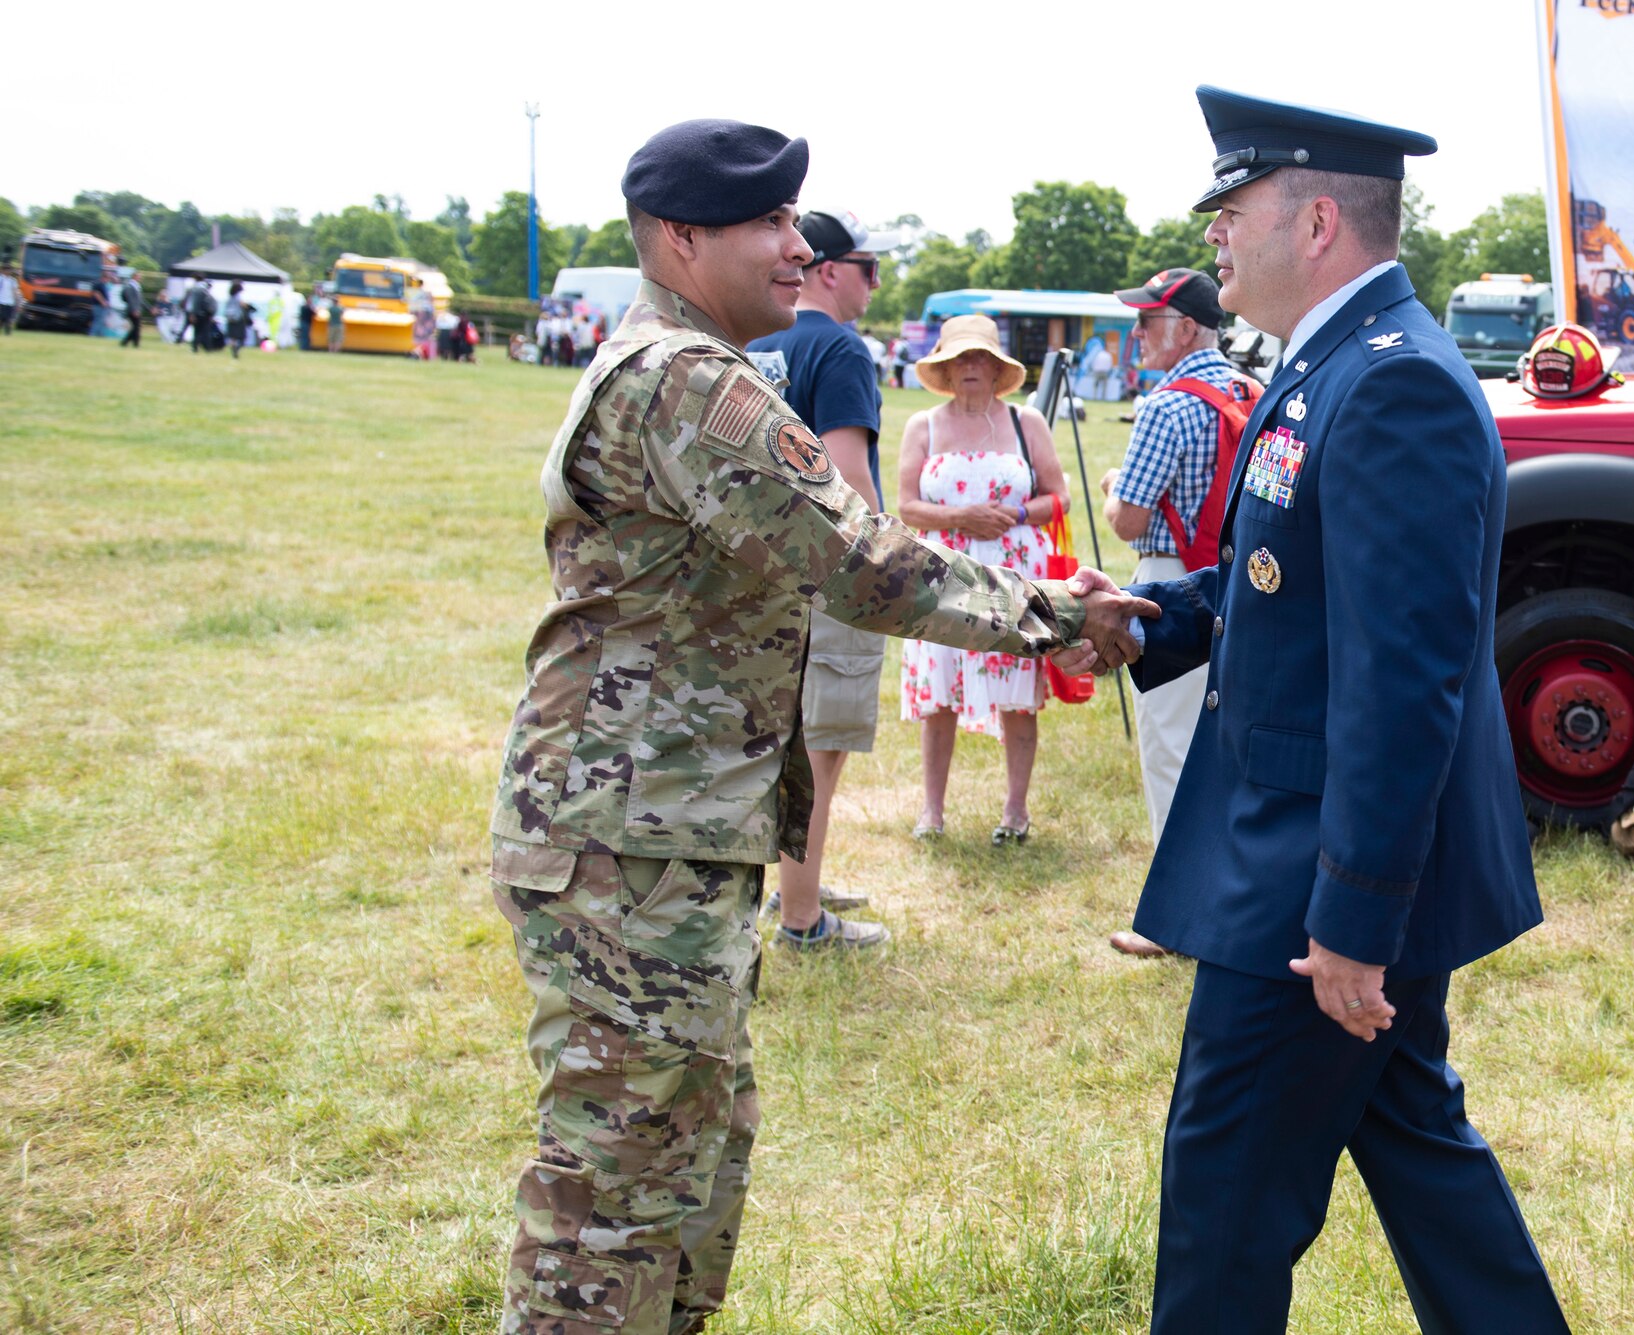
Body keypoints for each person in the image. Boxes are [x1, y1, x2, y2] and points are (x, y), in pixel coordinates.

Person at [486, 116, 1152, 1335]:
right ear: (683, 239)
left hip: (665, 830)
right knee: (617, 1197)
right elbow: (861, 563)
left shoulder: (683, 363)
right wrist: (1053, 612)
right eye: (769, 223)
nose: (799, 249)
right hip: (628, 840)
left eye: (797, 221)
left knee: (689, 1152)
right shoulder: (688, 382)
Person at [1119, 86, 1569, 1332]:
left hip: (1314, 876)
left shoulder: (1387, 383)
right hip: (1315, 850)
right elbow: (1295, 585)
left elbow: (1402, 675)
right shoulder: (1333, 358)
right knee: (1420, 1153)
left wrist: (1355, 923)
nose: (1214, 233)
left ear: (1313, 219)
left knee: (1223, 1201)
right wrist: (1156, 614)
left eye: (1233, 206)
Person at [744, 209, 901, 951]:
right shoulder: (839, 347)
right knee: (819, 749)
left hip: (756, 572)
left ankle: (793, 883)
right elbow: (847, 483)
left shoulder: (753, 337)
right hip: (825, 577)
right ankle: (802, 919)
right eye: (870, 268)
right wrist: (887, 567)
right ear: (831, 271)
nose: (875, 283)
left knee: (780, 743)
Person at [1097, 266, 1239, 958]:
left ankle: (1179, 919)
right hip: (1244, 585)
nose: (1136, 334)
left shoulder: (1166, 404)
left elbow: (1127, 521)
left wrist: (1110, 493)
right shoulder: (1250, 390)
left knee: (1172, 751)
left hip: (1171, 587)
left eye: (1147, 321)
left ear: (1185, 328)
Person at [897, 315, 1071, 844]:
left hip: (1014, 573)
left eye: (980, 358)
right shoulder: (923, 425)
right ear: (945, 370)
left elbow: (1058, 497)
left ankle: (1016, 811)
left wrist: (1015, 515)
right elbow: (905, 506)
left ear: (998, 369)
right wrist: (960, 518)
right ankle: (932, 811)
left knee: (1018, 691)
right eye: (959, 359)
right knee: (939, 692)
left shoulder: (1026, 423)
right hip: (942, 575)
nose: (970, 367)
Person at [185, 279, 218, 353]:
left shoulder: (198, 291)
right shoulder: (205, 293)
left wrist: (193, 314)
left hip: (199, 315)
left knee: (198, 332)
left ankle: (196, 347)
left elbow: (195, 304)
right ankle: (207, 348)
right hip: (204, 315)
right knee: (204, 332)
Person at [224, 282, 254, 359]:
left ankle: (233, 349)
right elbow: (243, 305)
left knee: (233, 337)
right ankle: (236, 350)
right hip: (238, 319)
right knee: (242, 337)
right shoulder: (238, 297)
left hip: (230, 319)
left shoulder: (230, 297)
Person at [120, 271, 146, 348]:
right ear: (134, 277)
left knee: (136, 328)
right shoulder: (130, 286)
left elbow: (140, 300)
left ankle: (130, 343)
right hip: (132, 310)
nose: (140, 278)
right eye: (139, 276)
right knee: (136, 328)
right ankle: (132, 343)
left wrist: (150, 308)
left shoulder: (137, 286)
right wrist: (134, 310)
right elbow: (130, 299)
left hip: (136, 309)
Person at [0, 263, 18, 334]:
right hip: (1, 301)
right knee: (1, 319)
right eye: (7, 270)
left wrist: (16, 301)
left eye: (10, 270)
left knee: (9, 319)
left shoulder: (13, 280)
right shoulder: (1, 279)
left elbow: (15, 291)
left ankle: (8, 333)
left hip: (10, 302)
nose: (9, 271)